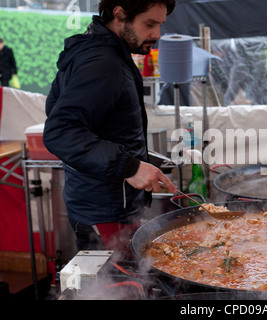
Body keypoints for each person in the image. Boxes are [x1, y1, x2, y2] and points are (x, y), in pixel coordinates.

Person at [43, 0, 178, 256]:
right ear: (119, 15)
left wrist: (137, 159)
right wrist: (130, 166)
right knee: (119, 290)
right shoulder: (102, 63)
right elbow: (60, 131)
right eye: (149, 24)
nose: (157, 35)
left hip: (107, 203)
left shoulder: (101, 50)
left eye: (160, 24)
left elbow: (62, 110)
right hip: (105, 211)